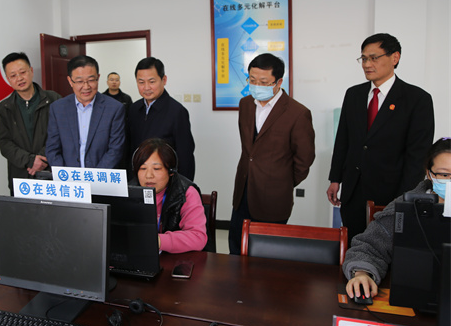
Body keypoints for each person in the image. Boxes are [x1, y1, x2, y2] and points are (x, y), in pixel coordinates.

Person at [327, 33, 435, 244]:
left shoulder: (417, 99)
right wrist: (335, 179)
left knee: (386, 252)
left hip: (391, 194)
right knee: (353, 248)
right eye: (364, 58)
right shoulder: (354, 94)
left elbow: (417, 156)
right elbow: (343, 141)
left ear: (395, 57)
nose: (367, 64)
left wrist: (403, 199)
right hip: (354, 192)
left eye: (374, 58)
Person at [228, 53, 315, 255]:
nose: (256, 86)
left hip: (274, 198)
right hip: (243, 189)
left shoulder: (297, 113)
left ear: (278, 82)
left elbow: (304, 159)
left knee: (267, 255)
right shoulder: (245, 104)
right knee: (236, 247)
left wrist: (282, 181)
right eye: (252, 80)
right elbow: (249, 150)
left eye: (263, 82)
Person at [343, 137, 450, 301]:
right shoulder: (406, 206)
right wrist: (362, 274)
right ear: (429, 173)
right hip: (412, 297)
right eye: (444, 174)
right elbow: (368, 247)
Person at [0, 52, 61, 193]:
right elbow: (4, 142)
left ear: (31, 71)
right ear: (8, 79)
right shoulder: (4, 108)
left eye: (22, 72)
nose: (19, 78)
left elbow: (61, 134)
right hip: (21, 175)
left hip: (51, 173)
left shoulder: (54, 99)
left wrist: (42, 159)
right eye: (13, 75)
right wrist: (30, 160)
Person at [45, 55, 125, 168]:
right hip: (69, 177)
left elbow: (115, 150)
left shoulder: (114, 108)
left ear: (98, 77)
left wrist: (94, 176)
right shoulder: (58, 108)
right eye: (79, 81)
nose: (86, 87)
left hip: (101, 176)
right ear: (70, 81)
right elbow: (52, 149)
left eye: (91, 80)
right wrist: (65, 175)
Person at [131, 138, 207, 253]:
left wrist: (158, 241)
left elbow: (198, 237)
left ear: (171, 171)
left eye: (156, 168)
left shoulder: (186, 192)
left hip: (178, 259)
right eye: (142, 168)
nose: (148, 175)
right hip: (139, 256)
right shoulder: (129, 190)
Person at [129, 57, 196, 180]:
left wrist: (183, 187)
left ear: (164, 80)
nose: (146, 87)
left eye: (152, 81)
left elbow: (185, 157)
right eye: (141, 82)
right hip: (138, 181)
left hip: (165, 182)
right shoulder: (133, 109)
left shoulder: (177, 112)